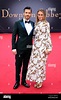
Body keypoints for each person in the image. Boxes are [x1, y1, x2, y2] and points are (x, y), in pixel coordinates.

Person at [26, 9, 52, 88]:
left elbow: (48, 36)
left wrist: (49, 48)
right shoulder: (36, 24)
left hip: (43, 46)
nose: (40, 16)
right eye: (39, 14)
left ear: (44, 15)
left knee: (41, 64)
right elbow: (34, 35)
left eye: (41, 15)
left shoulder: (46, 24)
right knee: (35, 64)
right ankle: (36, 79)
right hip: (36, 46)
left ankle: (40, 81)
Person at [12, 6, 34, 89]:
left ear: (31, 14)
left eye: (29, 13)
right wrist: (13, 47)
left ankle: (23, 81)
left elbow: (35, 36)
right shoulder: (17, 23)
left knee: (25, 66)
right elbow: (13, 36)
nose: (27, 14)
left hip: (29, 48)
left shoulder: (33, 24)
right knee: (18, 66)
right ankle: (17, 82)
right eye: (26, 12)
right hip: (19, 48)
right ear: (23, 13)